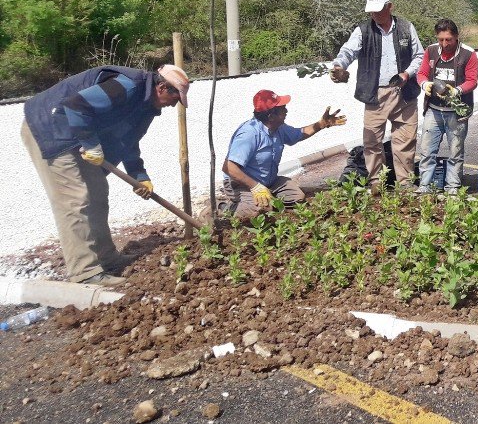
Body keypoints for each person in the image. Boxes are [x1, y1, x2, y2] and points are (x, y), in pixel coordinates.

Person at [21, 65, 190, 286]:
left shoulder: (146, 106)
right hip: (52, 129)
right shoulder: (129, 86)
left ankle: (107, 258)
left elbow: (129, 139)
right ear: (161, 87)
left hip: (79, 132)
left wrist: (139, 175)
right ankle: (85, 273)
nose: (173, 104)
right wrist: (91, 145)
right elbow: (76, 105)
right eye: (174, 97)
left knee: (98, 191)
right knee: (75, 199)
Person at [329, 0, 424, 188]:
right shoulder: (363, 31)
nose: (375, 15)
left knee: (405, 140)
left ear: (390, 7)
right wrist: (339, 66)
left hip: (404, 93)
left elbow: (419, 56)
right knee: (372, 142)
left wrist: (407, 74)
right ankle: (376, 183)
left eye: (379, 10)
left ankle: (405, 184)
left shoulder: (406, 28)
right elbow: (348, 51)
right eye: (371, 11)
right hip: (375, 94)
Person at [221, 90, 346, 219]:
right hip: (241, 184)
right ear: (271, 116)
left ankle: (266, 198)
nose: (286, 111)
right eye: (282, 109)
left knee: (296, 197)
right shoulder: (249, 134)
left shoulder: (278, 127)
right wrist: (255, 186)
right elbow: (229, 167)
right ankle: (223, 208)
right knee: (259, 210)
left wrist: (321, 124)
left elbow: (299, 134)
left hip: (268, 181)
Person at [415, 19, 478, 194]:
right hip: (434, 111)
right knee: (427, 151)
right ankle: (424, 186)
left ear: (456, 37)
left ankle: (452, 187)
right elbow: (421, 73)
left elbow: (472, 81)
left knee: (455, 152)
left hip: (456, 113)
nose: (444, 43)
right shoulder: (431, 51)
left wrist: (457, 91)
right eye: (441, 39)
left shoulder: (468, 54)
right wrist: (424, 84)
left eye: (448, 39)